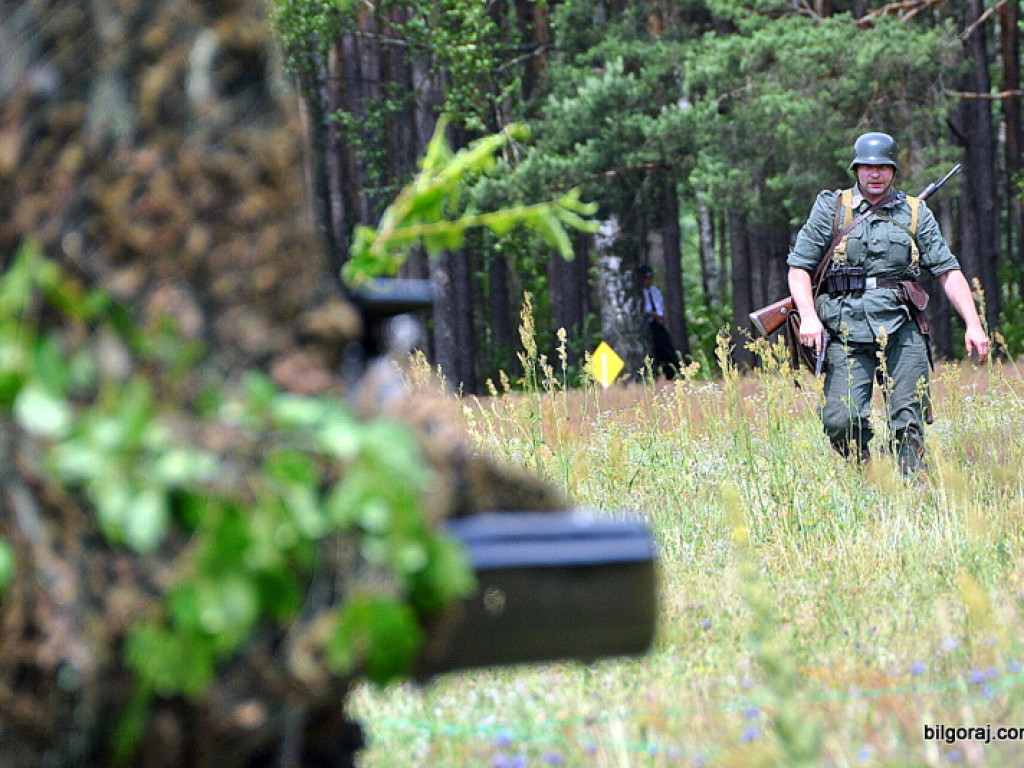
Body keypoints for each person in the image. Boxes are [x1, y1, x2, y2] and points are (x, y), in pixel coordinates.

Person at [787, 132, 990, 474]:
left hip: (901, 327)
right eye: (868, 167)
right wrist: (808, 316)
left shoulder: (915, 212)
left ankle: (910, 492)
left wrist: (973, 323)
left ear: (894, 170)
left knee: (908, 417)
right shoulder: (832, 209)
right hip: (843, 329)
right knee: (841, 420)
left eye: (883, 167)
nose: (875, 174)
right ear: (856, 169)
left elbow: (947, 271)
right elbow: (799, 268)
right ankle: (869, 477)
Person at [639, 265, 677, 380]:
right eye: (646, 278)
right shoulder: (639, 293)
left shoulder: (655, 291)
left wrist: (660, 317)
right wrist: (653, 314)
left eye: (650, 278)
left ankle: (671, 373)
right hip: (647, 324)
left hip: (657, 324)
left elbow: (659, 307)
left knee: (666, 347)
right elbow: (644, 310)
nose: (649, 281)